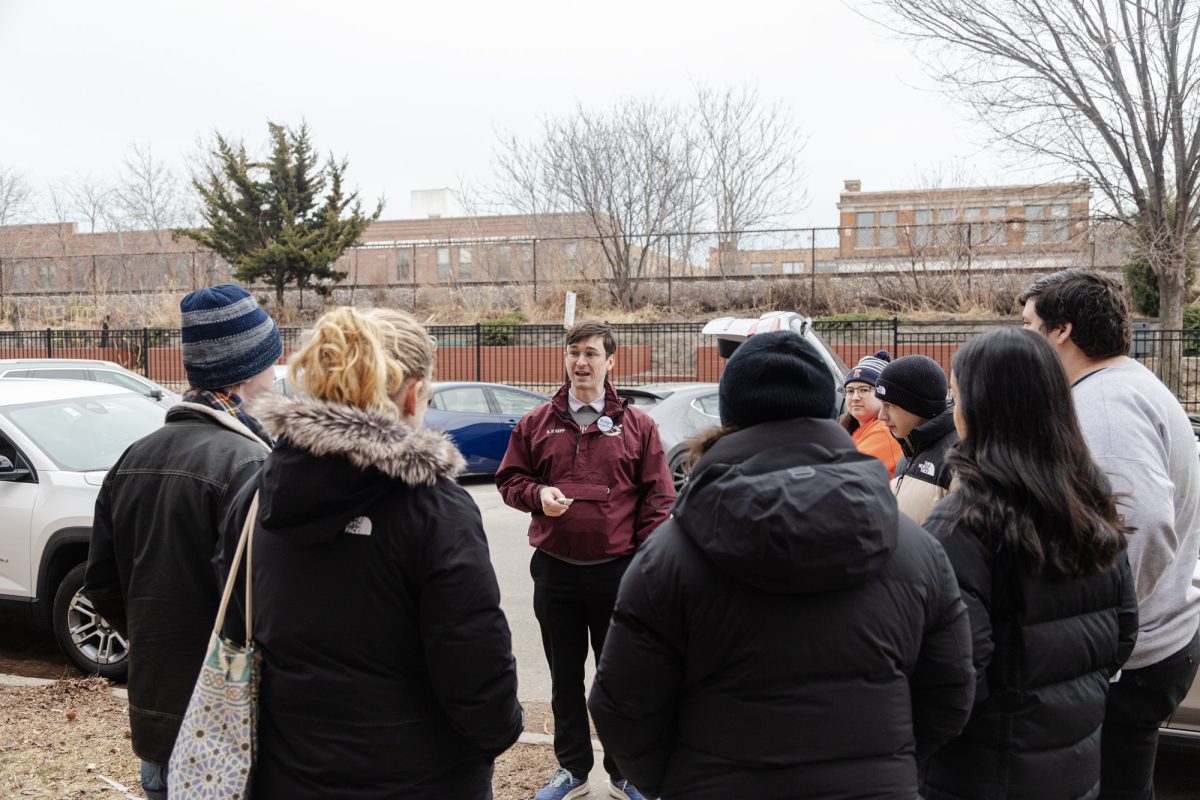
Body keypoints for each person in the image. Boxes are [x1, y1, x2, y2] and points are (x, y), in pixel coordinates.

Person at [587, 331, 975, 800]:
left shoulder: (669, 555)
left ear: (730, 418)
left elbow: (623, 707)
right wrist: (890, 761)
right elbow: (950, 691)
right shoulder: (915, 548)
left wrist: (676, 780)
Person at [224, 306, 522, 799]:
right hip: (423, 780)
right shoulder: (436, 510)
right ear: (411, 395)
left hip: (288, 774)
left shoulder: (256, 495)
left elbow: (241, 631)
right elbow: (476, 671)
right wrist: (497, 733)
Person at [921, 328, 1138, 800]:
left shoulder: (964, 524)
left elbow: (952, 679)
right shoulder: (1091, 503)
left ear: (979, 409)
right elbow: (1123, 632)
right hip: (1072, 768)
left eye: (957, 397)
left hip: (980, 776)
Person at [85, 284, 281, 799]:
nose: (277, 374)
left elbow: (101, 584)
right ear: (246, 373)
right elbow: (269, 602)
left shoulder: (133, 456)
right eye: (272, 362)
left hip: (157, 714)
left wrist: (156, 634)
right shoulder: (252, 464)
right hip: (235, 722)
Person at [1020, 269, 1200, 800]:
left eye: (1028, 323)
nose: (1022, 333)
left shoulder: (1104, 405)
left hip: (1134, 656)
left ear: (1062, 331)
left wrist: (1105, 639)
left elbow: (1143, 527)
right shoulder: (1126, 383)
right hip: (1155, 640)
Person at [496, 320, 675, 800]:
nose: (581, 362)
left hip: (619, 573)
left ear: (610, 361)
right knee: (565, 678)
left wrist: (641, 561)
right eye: (574, 352)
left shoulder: (638, 425)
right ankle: (572, 771)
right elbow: (510, 480)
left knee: (622, 679)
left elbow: (659, 499)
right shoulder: (537, 422)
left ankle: (624, 773)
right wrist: (538, 495)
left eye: (592, 353)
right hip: (555, 569)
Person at [874, 354, 957, 524]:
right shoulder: (910, 446)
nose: (881, 416)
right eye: (881, 404)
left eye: (890, 405)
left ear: (918, 407)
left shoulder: (958, 459)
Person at [840, 349, 903, 476]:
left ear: (881, 394)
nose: (855, 397)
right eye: (850, 391)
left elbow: (845, 474)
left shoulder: (884, 430)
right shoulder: (860, 429)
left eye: (864, 390)